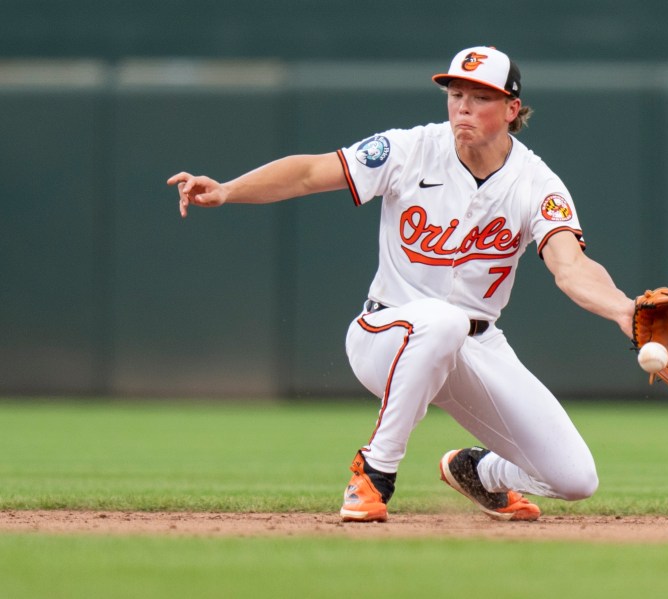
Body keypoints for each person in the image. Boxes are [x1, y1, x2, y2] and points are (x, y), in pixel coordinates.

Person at [168, 46, 635, 523]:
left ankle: (479, 473)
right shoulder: (409, 149)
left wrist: (624, 309)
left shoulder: (537, 183)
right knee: (443, 320)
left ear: (513, 110)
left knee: (577, 479)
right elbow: (310, 172)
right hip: (386, 334)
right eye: (456, 94)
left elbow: (571, 266)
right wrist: (228, 189)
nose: (463, 107)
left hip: (477, 346)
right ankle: (374, 472)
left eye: (481, 97)